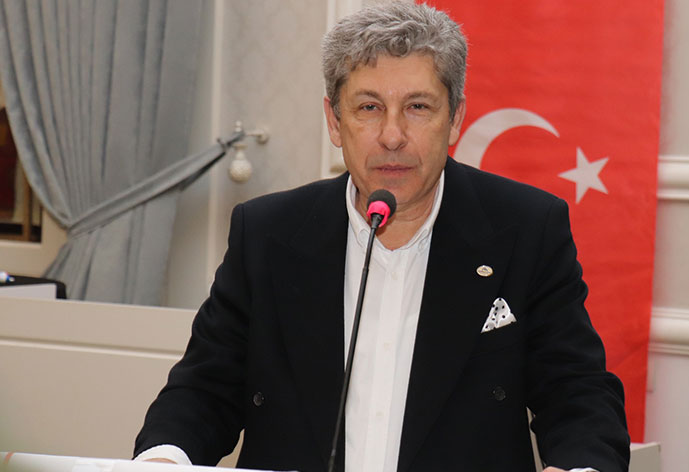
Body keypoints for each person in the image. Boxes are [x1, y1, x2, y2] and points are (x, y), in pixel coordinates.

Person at [134, 3, 629, 471]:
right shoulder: (267, 232)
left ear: (455, 119)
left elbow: (577, 391)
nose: (393, 135)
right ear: (334, 121)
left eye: (418, 107)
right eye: (369, 107)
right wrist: (165, 458)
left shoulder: (526, 228)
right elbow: (204, 390)